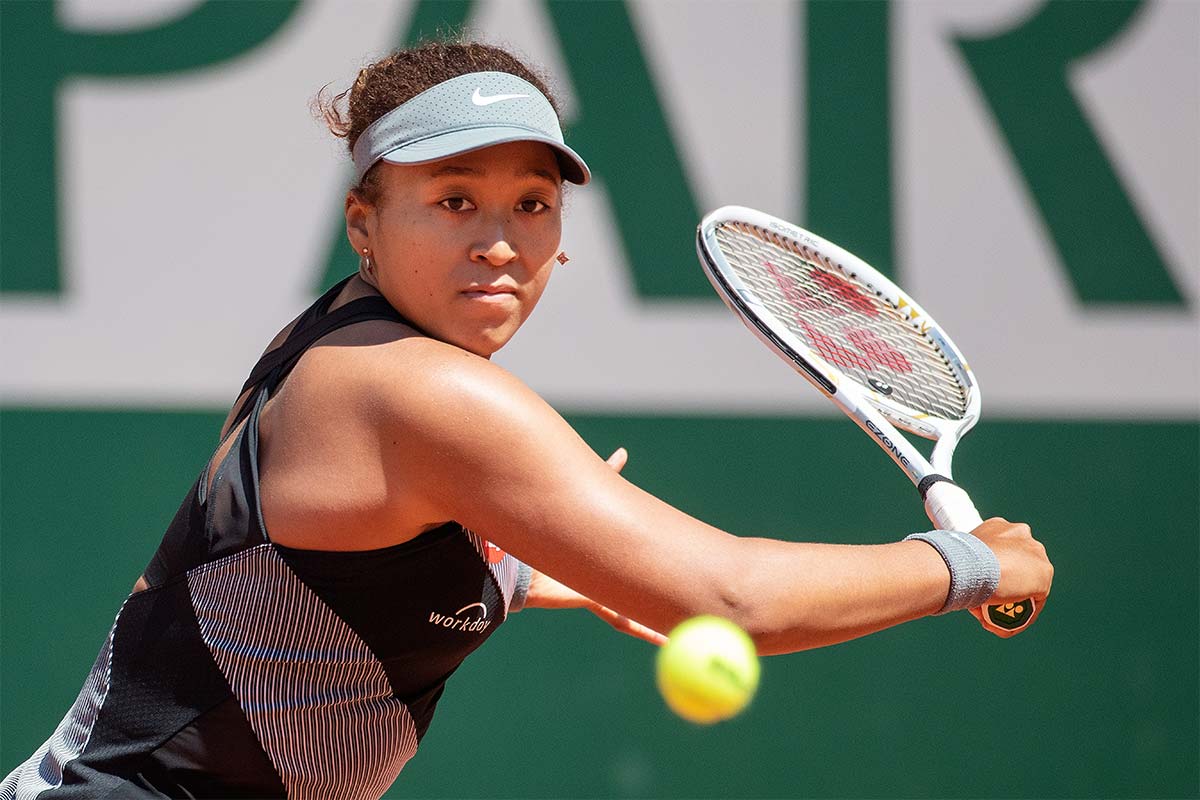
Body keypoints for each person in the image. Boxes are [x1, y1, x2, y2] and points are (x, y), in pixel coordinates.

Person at [1, 39, 1053, 800]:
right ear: (364, 223)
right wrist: (968, 562)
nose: (500, 239)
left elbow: (309, 574)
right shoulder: (416, 391)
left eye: (532, 204)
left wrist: (527, 569)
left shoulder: (336, 342)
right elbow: (734, 597)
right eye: (454, 200)